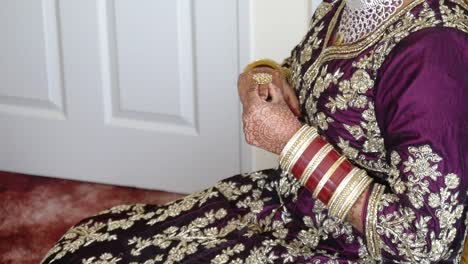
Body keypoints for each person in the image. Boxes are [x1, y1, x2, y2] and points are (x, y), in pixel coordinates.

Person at [41, 0, 468, 262]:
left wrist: (289, 141)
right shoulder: (346, 7)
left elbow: (426, 244)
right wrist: (261, 76)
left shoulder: (434, 51)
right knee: (95, 246)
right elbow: (304, 81)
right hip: (288, 208)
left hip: (348, 250)